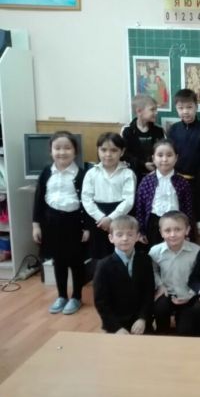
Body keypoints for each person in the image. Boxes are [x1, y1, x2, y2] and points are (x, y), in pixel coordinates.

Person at [32, 131, 89, 315]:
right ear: (51, 151)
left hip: (74, 223)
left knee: (76, 261)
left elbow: (87, 203)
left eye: (67, 148)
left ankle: (77, 296)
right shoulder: (46, 172)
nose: (62, 152)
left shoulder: (82, 174)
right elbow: (38, 199)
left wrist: (87, 227)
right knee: (59, 261)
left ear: (75, 151)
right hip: (51, 223)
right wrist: (36, 224)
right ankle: (62, 295)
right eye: (57, 148)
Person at [93, 216, 155, 334]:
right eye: (119, 235)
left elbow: (148, 292)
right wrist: (116, 327)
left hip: (141, 321)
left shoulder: (145, 260)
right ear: (111, 238)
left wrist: (142, 318)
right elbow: (101, 302)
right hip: (116, 324)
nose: (125, 238)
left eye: (130, 234)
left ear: (137, 237)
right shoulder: (103, 265)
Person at [82, 132, 136, 260]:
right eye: (103, 150)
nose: (108, 154)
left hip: (121, 216)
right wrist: (101, 218)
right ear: (98, 150)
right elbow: (86, 198)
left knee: (121, 253)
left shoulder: (128, 174)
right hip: (98, 219)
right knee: (100, 256)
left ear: (122, 152)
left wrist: (111, 218)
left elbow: (129, 200)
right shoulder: (91, 173)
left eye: (114, 150)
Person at [149, 211, 200, 335]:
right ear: (161, 232)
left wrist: (191, 294)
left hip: (188, 295)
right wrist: (160, 285)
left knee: (185, 331)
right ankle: (162, 332)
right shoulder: (155, 251)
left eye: (178, 229)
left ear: (187, 230)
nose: (172, 234)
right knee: (160, 308)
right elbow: (152, 270)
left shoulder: (197, 251)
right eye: (167, 230)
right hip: (166, 293)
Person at [136, 139, 193, 247]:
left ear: (176, 158)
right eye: (160, 155)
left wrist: (187, 231)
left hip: (177, 223)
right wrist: (141, 230)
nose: (164, 159)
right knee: (154, 253)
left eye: (169, 155)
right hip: (153, 224)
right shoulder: (146, 181)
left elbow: (188, 208)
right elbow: (140, 208)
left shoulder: (182, 182)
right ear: (153, 158)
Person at [167, 88, 200, 182]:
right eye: (181, 108)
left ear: (196, 107)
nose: (185, 111)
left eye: (189, 107)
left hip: (198, 178)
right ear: (176, 109)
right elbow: (169, 152)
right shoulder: (173, 129)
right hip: (176, 177)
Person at [121, 94, 165, 184]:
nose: (156, 112)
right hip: (133, 176)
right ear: (139, 111)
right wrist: (143, 164)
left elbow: (163, 151)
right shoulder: (127, 130)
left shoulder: (159, 130)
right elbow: (124, 154)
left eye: (156, 109)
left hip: (155, 175)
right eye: (152, 109)